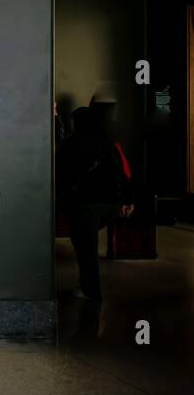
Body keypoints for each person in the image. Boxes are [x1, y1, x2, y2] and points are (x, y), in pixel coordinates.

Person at [57, 105, 133, 301]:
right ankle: (89, 288)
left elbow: (62, 178)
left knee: (86, 249)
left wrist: (63, 204)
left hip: (85, 204)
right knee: (87, 245)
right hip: (110, 203)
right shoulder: (107, 142)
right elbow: (122, 171)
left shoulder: (69, 145)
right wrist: (126, 200)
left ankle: (91, 291)